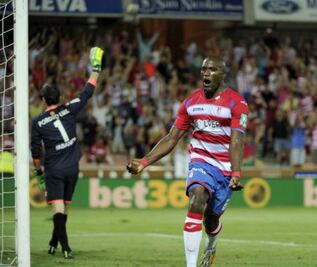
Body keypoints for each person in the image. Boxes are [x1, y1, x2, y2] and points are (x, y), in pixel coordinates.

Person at [127, 57, 249, 267]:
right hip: (200, 162)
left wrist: (236, 173)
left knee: (211, 220)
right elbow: (172, 138)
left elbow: (237, 140)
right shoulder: (191, 103)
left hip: (226, 170)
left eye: (212, 69)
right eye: (203, 69)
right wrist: (144, 162)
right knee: (196, 198)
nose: (206, 73)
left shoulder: (237, 103)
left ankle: (211, 243)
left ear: (222, 74)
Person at [30, 47, 103, 259]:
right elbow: (87, 92)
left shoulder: (37, 122)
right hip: (72, 167)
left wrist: (38, 171)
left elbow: (35, 150)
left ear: (44, 100)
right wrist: (95, 70)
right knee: (63, 211)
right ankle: (55, 242)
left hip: (54, 169)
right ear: (60, 97)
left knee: (58, 210)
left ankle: (66, 247)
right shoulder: (68, 108)